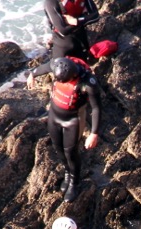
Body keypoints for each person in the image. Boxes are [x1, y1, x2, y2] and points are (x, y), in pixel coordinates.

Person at [46, 56, 102, 202]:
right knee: (58, 148)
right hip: (54, 117)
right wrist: (32, 75)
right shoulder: (57, 65)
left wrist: (94, 133)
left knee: (70, 152)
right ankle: (67, 173)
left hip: (72, 121)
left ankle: (74, 183)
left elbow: (96, 108)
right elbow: (45, 67)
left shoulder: (87, 82)